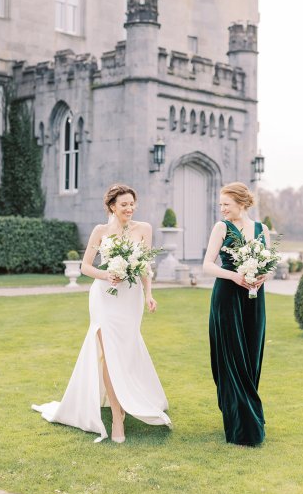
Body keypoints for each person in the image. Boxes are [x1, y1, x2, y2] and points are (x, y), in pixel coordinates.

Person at [32, 184, 172, 443]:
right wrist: (106, 274)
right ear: (111, 207)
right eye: (123, 205)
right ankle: (118, 416)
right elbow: (86, 266)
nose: (129, 209)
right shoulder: (100, 231)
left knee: (125, 351)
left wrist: (149, 294)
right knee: (107, 353)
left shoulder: (144, 230)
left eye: (132, 204)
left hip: (130, 299)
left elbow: (145, 266)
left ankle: (131, 396)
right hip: (104, 297)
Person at [203, 182, 270, 446]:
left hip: (255, 299)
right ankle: (241, 425)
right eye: (220, 204)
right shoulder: (221, 227)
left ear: (241, 203)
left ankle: (248, 413)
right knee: (232, 357)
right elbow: (207, 265)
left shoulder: (261, 229)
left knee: (251, 355)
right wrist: (235, 276)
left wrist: (265, 275)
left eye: (226, 204)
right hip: (228, 297)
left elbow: (269, 262)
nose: (222, 209)